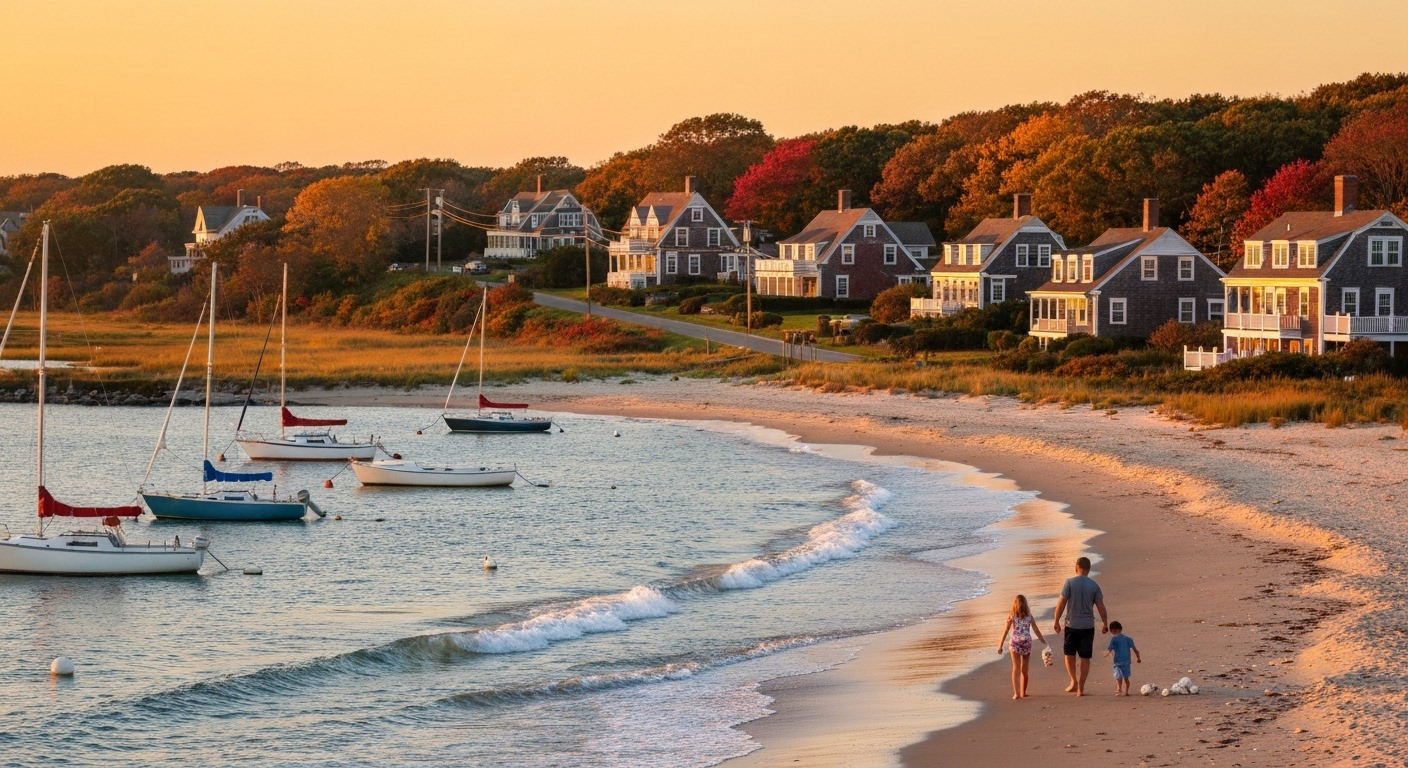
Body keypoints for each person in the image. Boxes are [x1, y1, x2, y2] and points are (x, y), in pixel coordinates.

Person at [1052, 556, 1108, 696]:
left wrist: (1056, 620)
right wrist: (1105, 623)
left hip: (1072, 625)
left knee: (1069, 654)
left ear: (1076, 567)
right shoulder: (1094, 585)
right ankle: (1081, 687)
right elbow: (1101, 606)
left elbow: (1061, 603)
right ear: (1088, 570)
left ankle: (1073, 681)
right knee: (1085, 657)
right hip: (1088, 626)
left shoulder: (1069, 582)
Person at [997, 594, 1047, 699]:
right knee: (1025, 669)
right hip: (1026, 642)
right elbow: (1036, 630)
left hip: (1015, 642)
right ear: (1025, 604)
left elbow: (1005, 631)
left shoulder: (1012, 616)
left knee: (1016, 668)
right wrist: (1043, 641)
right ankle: (1023, 692)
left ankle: (1016, 693)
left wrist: (1000, 645)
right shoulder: (1029, 616)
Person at [1103, 621, 1141, 695]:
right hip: (1122, 661)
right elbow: (1135, 650)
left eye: (1115, 631)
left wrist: (1138, 658)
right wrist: (1138, 658)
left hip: (1121, 661)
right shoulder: (1127, 639)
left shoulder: (1116, 639)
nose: (1115, 633)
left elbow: (1110, 649)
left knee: (1122, 678)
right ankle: (1120, 690)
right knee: (1121, 678)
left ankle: (1124, 691)